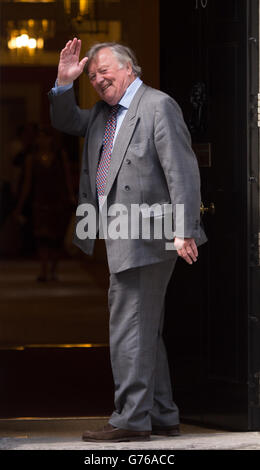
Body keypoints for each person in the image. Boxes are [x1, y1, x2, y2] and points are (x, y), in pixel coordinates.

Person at [48, 38, 207, 442]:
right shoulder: (104, 112)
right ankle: (161, 413)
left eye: (105, 71)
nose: (98, 79)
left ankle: (130, 419)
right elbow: (67, 122)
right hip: (120, 233)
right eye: (92, 75)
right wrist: (65, 84)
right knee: (142, 328)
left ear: (129, 68)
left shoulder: (158, 105)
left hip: (150, 235)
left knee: (128, 327)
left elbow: (181, 170)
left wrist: (183, 228)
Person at [14, 127, 75, 281]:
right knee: (42, 237)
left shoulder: (60, 156)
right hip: (40, 201)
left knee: (56, 237)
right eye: (40, 137)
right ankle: (44, 269)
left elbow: (67, 177)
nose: (43, 141)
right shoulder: (31, 159)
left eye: (46, 137)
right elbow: (28, 183)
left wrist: (71, 195)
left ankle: (53, 269)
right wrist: (20, 205)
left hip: (58, 200)